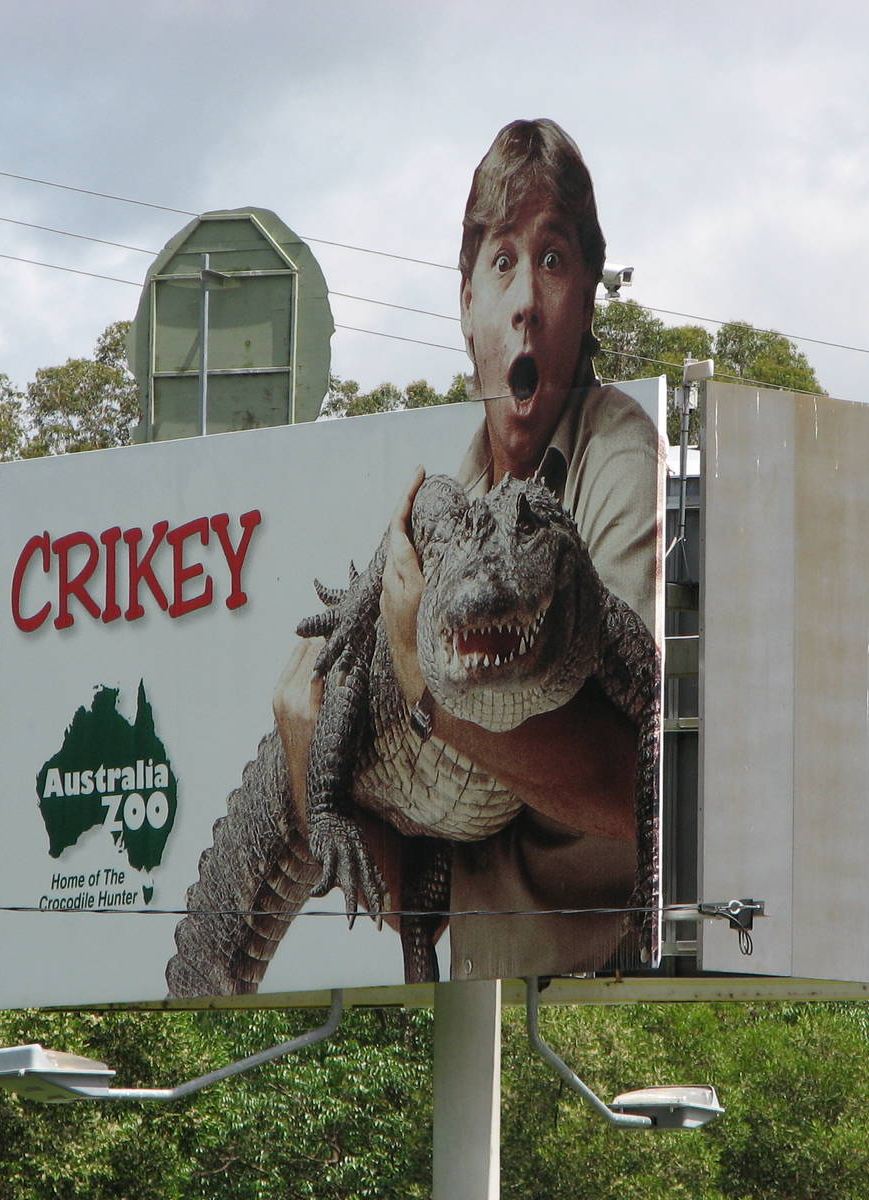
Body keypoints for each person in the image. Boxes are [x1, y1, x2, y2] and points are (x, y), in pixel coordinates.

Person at [276, 117, 663, 980]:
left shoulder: (618, 451)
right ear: (466, 305)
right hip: (482, 984)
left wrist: (424, 681)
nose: (526, 299)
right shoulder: (452, 498)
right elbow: (400, 895)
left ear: (588, 297)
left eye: (553, 260)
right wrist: (312, 777)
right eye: (502, 263)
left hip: (603, 985)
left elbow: (640, 784)